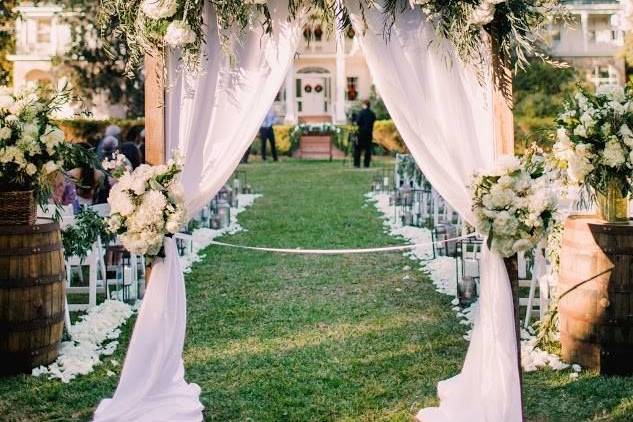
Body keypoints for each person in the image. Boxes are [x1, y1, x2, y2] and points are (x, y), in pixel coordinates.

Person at [353, 99, 376, 168]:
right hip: (369, 133)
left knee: (358, 149)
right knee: (368, 149)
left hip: (361, 133)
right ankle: (366, 164)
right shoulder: (372, 114)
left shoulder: (361, 113)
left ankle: (357, 164)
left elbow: (358, 122)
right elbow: (373, 121)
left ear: (364, 105)